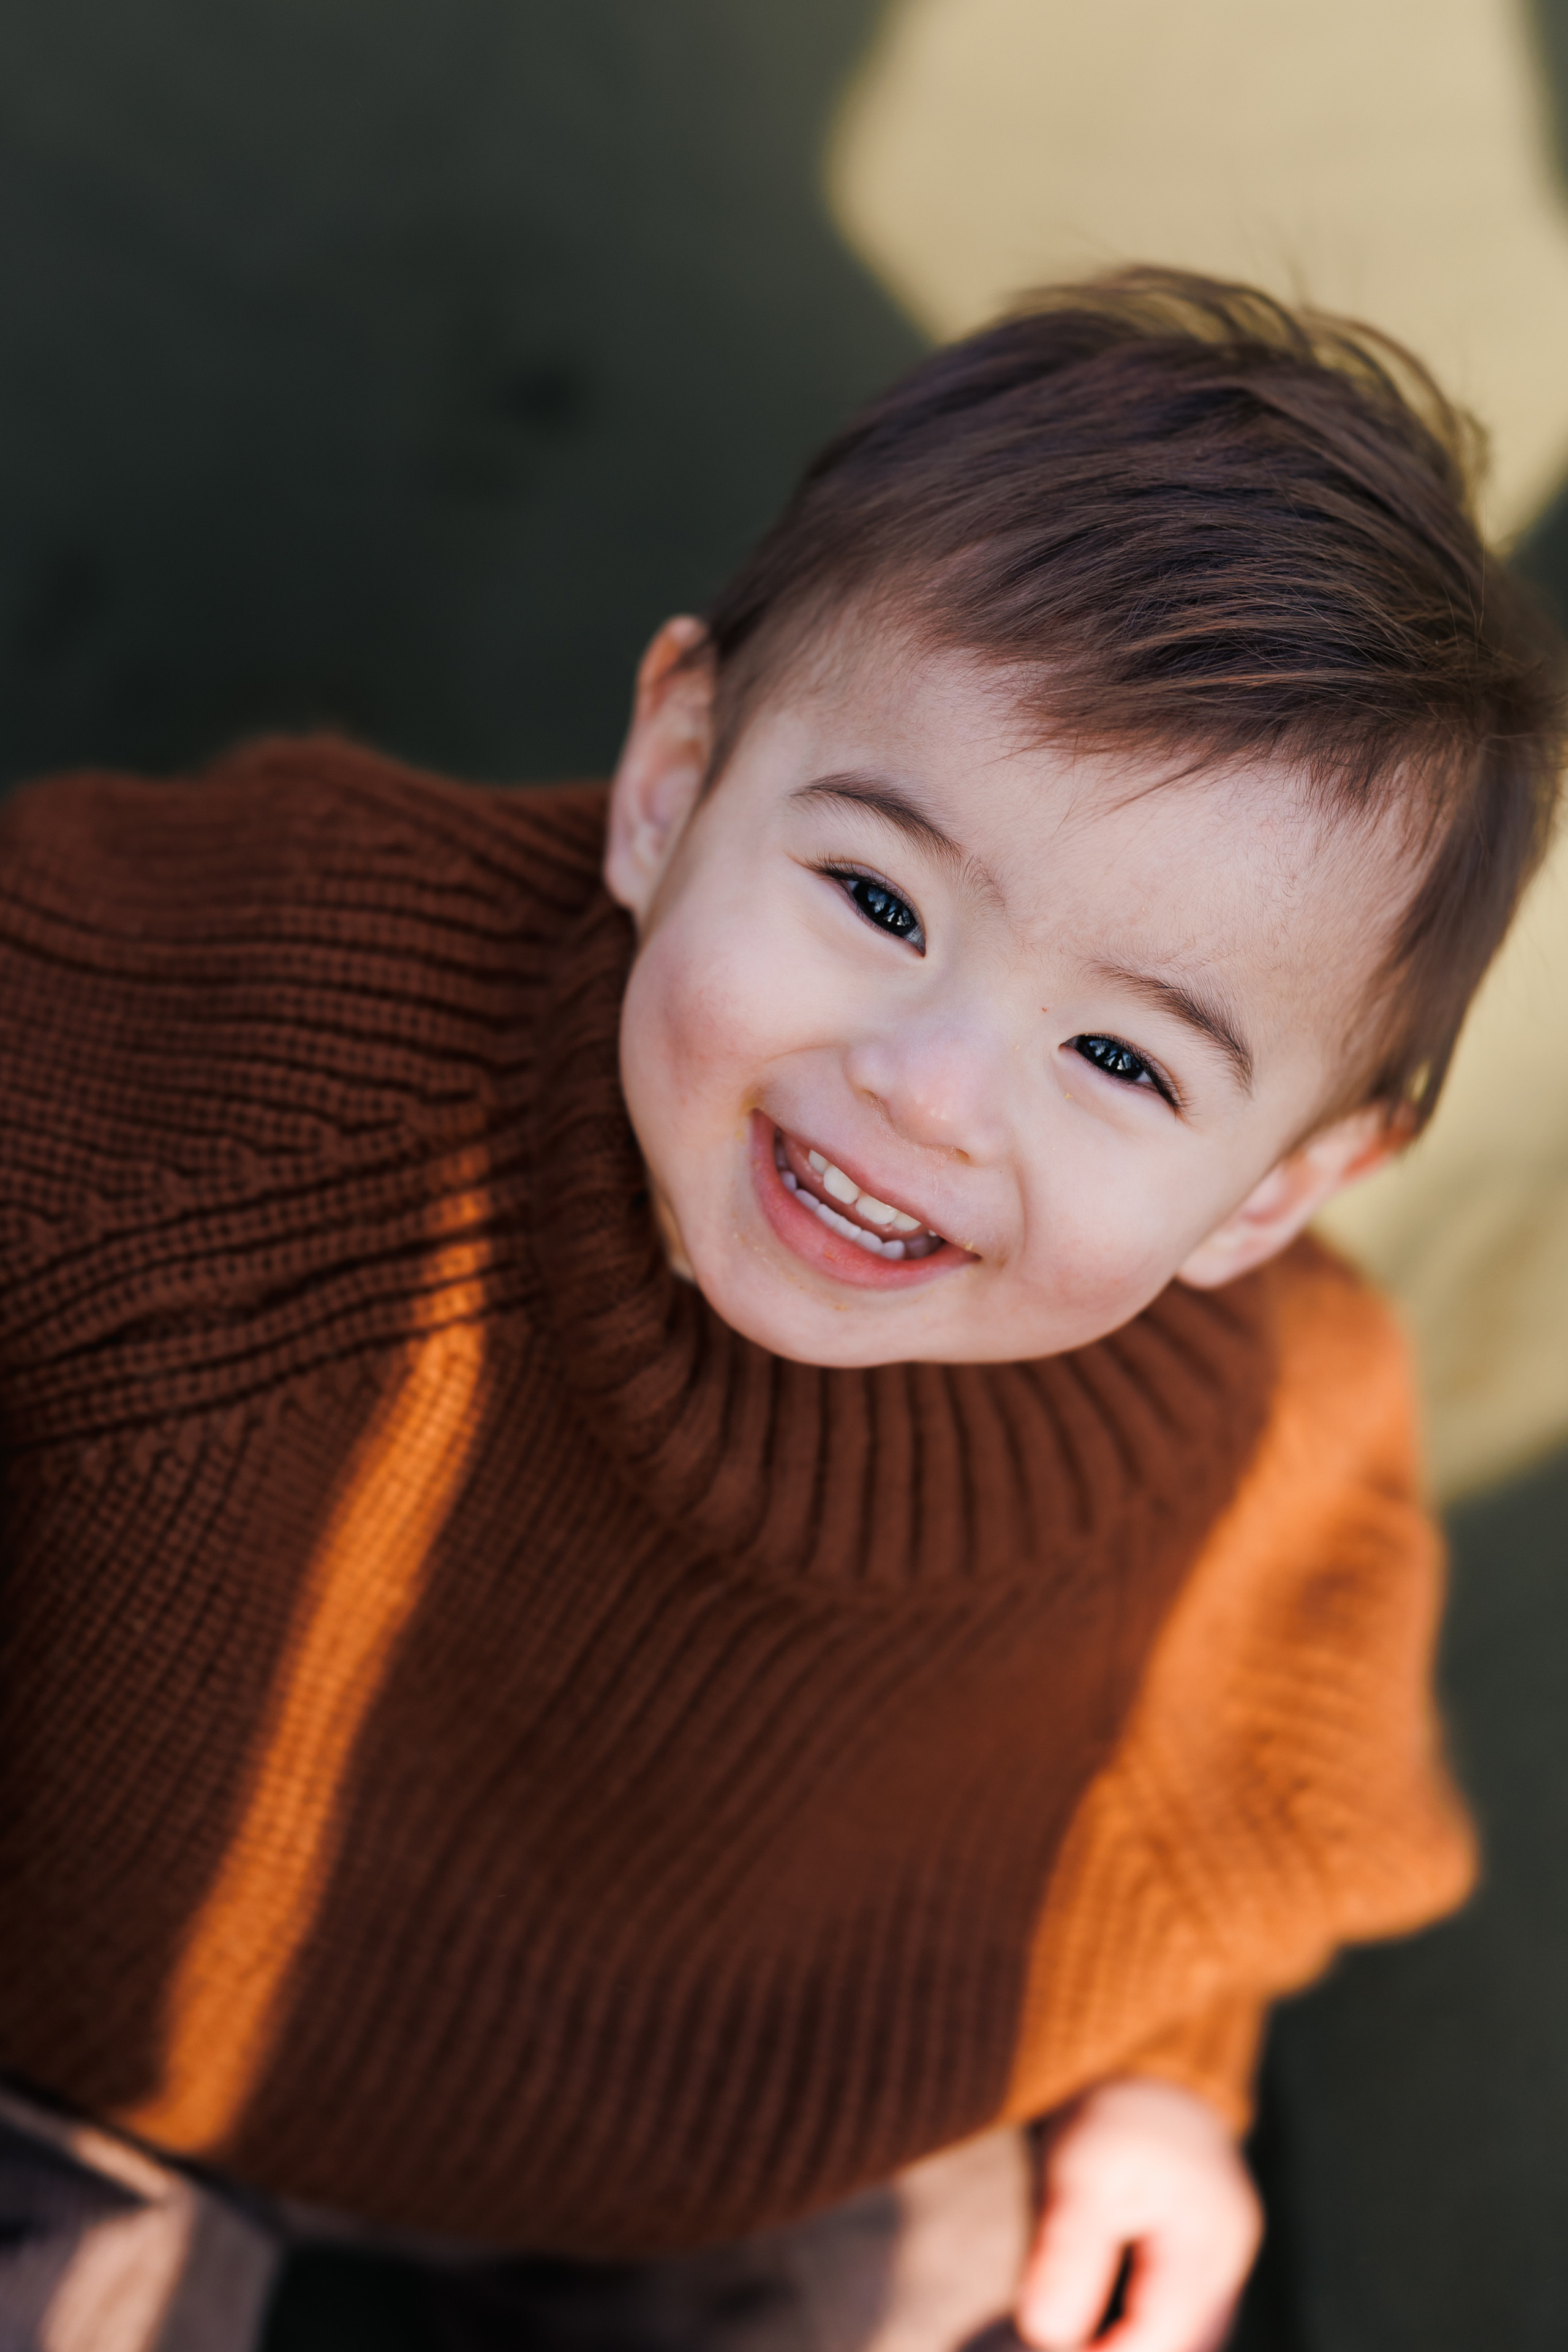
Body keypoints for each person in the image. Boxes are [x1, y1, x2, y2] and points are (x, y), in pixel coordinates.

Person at [0, 269, 1559, 2352]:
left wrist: (1171, 2081)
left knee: (961, 2273)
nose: (926, 1089)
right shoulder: (279, 1033)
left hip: (722, 2115)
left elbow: (1214, 1789)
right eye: (879, 901)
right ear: (673, 778)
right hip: (78, 2034)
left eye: (1123, 1066)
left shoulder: (1242, 1427)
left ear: (1274, 1188)